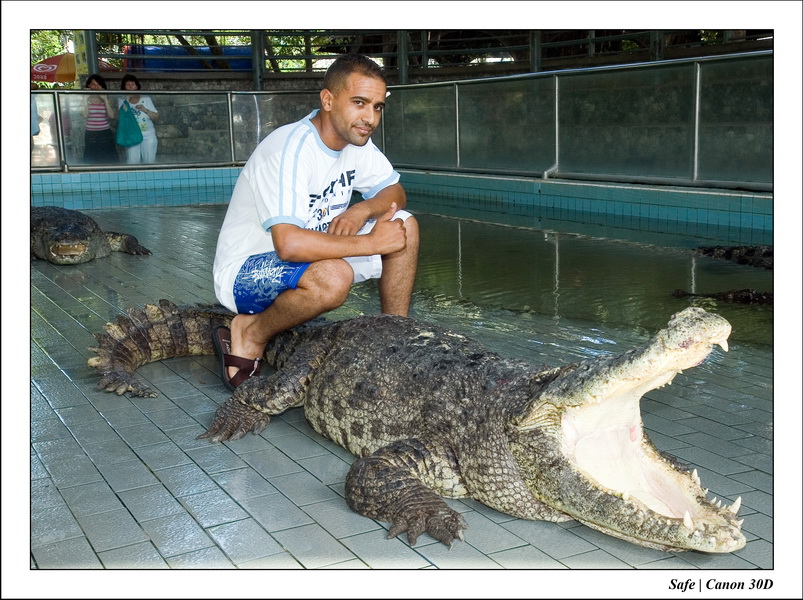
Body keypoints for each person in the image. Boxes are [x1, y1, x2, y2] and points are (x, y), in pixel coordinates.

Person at [212, 54, 419, 390]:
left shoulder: (356, 141)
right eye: (359, 103)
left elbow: (395, 191)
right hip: (245, 271)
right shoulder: (290, 149)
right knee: (334, 277)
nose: (370, 117)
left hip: (310, 253)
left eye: (378, 107)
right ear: (328, 100)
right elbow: (290, 244)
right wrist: (371, 243)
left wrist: (361, 210)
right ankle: (251, 331)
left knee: (404, 226)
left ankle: (392, 337)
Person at [118, 74, 158, 164]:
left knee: (149, 162)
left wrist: (145, 109)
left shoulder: (146, 98)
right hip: (131, 135)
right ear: (124, 87)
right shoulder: (121, 100)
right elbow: (121, 116)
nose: (130, 87)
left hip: (148, 135)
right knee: (132, 162)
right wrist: (127, 100)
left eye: (132, 84)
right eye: (127, 85)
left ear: (137, 86)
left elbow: (156, 117)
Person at [82, 74, 117, 163]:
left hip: (105, 132)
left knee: (108, 159)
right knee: (91, 159)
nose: (96, 87)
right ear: (88, 86)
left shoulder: (107, 98)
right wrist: (85, 100)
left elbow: (112, 116)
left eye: (99, 84)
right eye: (93, 84)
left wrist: (105, 99)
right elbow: (84, 115)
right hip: (90, 133)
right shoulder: (85, 99)